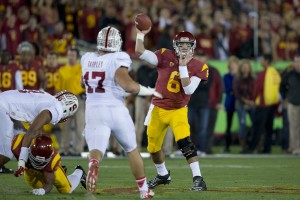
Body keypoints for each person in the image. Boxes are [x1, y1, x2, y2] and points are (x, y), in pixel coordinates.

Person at [81, 26, 160, 199]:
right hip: (115, 109)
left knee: (96, 150)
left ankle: (94, 165)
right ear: (118, 43)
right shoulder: (119, 57)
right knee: (132, 150)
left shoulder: (86, 58)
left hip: (94, 109)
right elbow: (128, 85)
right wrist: (149, 91)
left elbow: (84, 84)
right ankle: (144, 190)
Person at [135, 27, 209, 191]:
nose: (184, 48)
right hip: (158, 108)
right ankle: (163, 175)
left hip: (178, 109)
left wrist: (182, 67)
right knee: (152, 148)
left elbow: (188, 90)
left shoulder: (199, 67)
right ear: (175, 45)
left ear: (193, 46)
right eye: (181, 45)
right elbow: (140, 51)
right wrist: (140, 34)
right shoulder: (164, 55)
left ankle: (198, 179)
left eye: (187, 45)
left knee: (184, 142)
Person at [0, 89, 78, 176]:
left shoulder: (49, 99)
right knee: (6, 152)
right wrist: (22, 162)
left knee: (19, 139)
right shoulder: (56, 110)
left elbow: (31, 127)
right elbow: (31, 132)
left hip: (5, 103)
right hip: (3, 107)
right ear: (66, 111)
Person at [11, 133, 87, 195]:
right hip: (30, 169)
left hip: (48, 169)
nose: (39, 163)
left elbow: (49, 184)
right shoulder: (18, 145)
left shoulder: (53, 160)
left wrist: (43, 191)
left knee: (66, 189)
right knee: (37, 186)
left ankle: (79, 172)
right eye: (36, 161)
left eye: (41, 161)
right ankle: (62, 170)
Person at [55, 47, 85, 156]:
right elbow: (58, 87)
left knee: (80, 126)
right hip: (66, 99)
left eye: (73, 55)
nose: (71, 57)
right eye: (69, 55)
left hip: (79, 99)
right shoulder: (62, 70)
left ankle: (78, 149)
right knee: (65, 126)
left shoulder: (82, 69)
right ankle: (64, 148)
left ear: (77, 57)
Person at [280, 51, 300, 155]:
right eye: (296, 61)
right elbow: (282, 86)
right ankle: (295, 148)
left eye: (299, 62)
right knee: (293, 127)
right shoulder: (289, 74)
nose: (297, 64)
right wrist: (284, 98)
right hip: (292, 103)